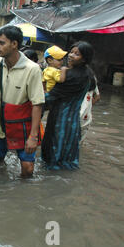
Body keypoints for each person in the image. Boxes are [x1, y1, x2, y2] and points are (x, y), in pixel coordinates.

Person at [0, 26, 45, 178]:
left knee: (27, 168)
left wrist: (33, 136)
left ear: (14, 44)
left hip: (22, 126)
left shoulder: (32, 69)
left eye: (1, 43)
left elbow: (37, 104)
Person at [41, 41, 96, 170]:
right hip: (73, 121)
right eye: (71, 52)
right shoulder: (88, 75)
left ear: (84, 58)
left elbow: (50, 98)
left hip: (60, 120)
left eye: (76, 54)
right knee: (69, 154)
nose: (71, 56)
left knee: (54, 153)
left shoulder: (71, 76)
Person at [80, 73, 100, 144]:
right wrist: (90, 105)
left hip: (78, 118)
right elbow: (97, 97)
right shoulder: (92, 79)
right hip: (87, 118)